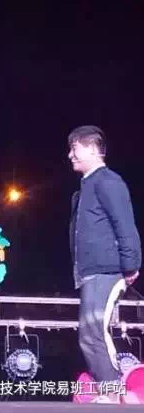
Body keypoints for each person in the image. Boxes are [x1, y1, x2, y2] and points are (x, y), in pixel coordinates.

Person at [68, 125, 141, 403]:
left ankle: (113, 394)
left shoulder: (108, 181)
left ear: (91, 149)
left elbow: (125, 224)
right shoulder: (86, 187)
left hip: (107, 271)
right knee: (89, 334)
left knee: (94, 332)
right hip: (91, 272)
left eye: (74, 148)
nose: (70, 155)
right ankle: (111, 393)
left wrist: (130, 264)